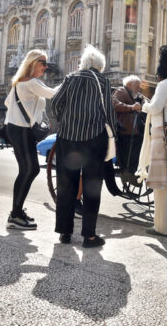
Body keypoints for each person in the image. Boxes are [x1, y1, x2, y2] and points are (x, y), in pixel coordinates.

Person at [51, 45, 115, 248]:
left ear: (85, 63)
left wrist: (65, 120)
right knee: (92, 187)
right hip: (94, 140)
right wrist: (113, 135)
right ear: (99, 66)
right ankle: (89, 236)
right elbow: (109, 113)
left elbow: (54, 104)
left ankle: (65, 232)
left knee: (66, 186)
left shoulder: (70, 78)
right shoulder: (103, 82)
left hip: (67, 139)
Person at [4, 49, 59, 230]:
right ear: (32, 63)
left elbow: (7, 103)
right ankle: (15, 214)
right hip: (21, 130)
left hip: (16, 128)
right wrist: (70, 81)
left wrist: (29, 110)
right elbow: (53, 94)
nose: (46, 67)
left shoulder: (19, 82)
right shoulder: (32, 82)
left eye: (46, 63)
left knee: (28, 170)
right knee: (30, 169)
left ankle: (17, 212)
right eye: (43, 63)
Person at [137, 46, 167, 237]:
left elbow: (156, 108)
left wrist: (143, 106)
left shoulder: (164, 85)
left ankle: (163, 226)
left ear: (159, 73)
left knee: (161, 184)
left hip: (163, 137)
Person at [112, 75, 146, 179]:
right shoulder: (121, 91)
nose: (139, 88)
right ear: (130, 85)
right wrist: (131, 107)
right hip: (125, 131)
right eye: (137, 86)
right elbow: (114, 104)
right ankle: (129, 174)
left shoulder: (134, 95)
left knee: (138, 150)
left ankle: (133, 173)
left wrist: (143, 103)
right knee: (129, 156)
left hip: (133, 131)